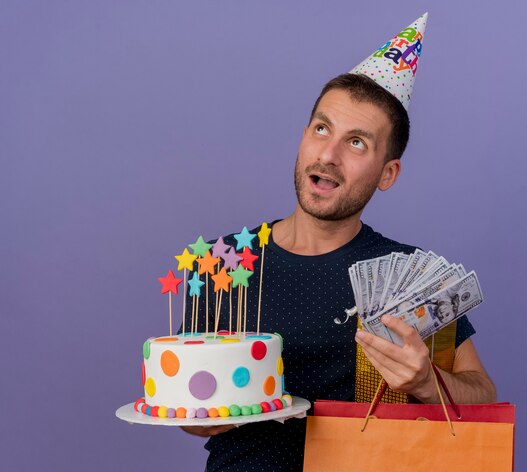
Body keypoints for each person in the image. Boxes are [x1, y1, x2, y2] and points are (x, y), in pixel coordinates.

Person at [181, 15, 496, 471]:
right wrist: (200, 416)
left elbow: (482, 395)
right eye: (322, 129)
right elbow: (192, 413)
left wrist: (428, 381)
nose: (328, 156)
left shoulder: (409, 276)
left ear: (388, 174)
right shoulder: (222, 262)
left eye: (357, 143)